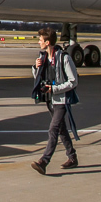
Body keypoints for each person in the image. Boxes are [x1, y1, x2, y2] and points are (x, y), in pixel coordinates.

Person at [30, 27, 78, 175]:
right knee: (61, 129)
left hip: (61, 100)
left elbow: (73, 81)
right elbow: (39, 78)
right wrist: (35, 67)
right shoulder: (44, 58)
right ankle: (72, 157)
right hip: (50, 99)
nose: (39, 42)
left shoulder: (64, 58)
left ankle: (44, 161)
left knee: (53, 129)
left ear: (48, 42)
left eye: (40, 40)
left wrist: (54, 89)